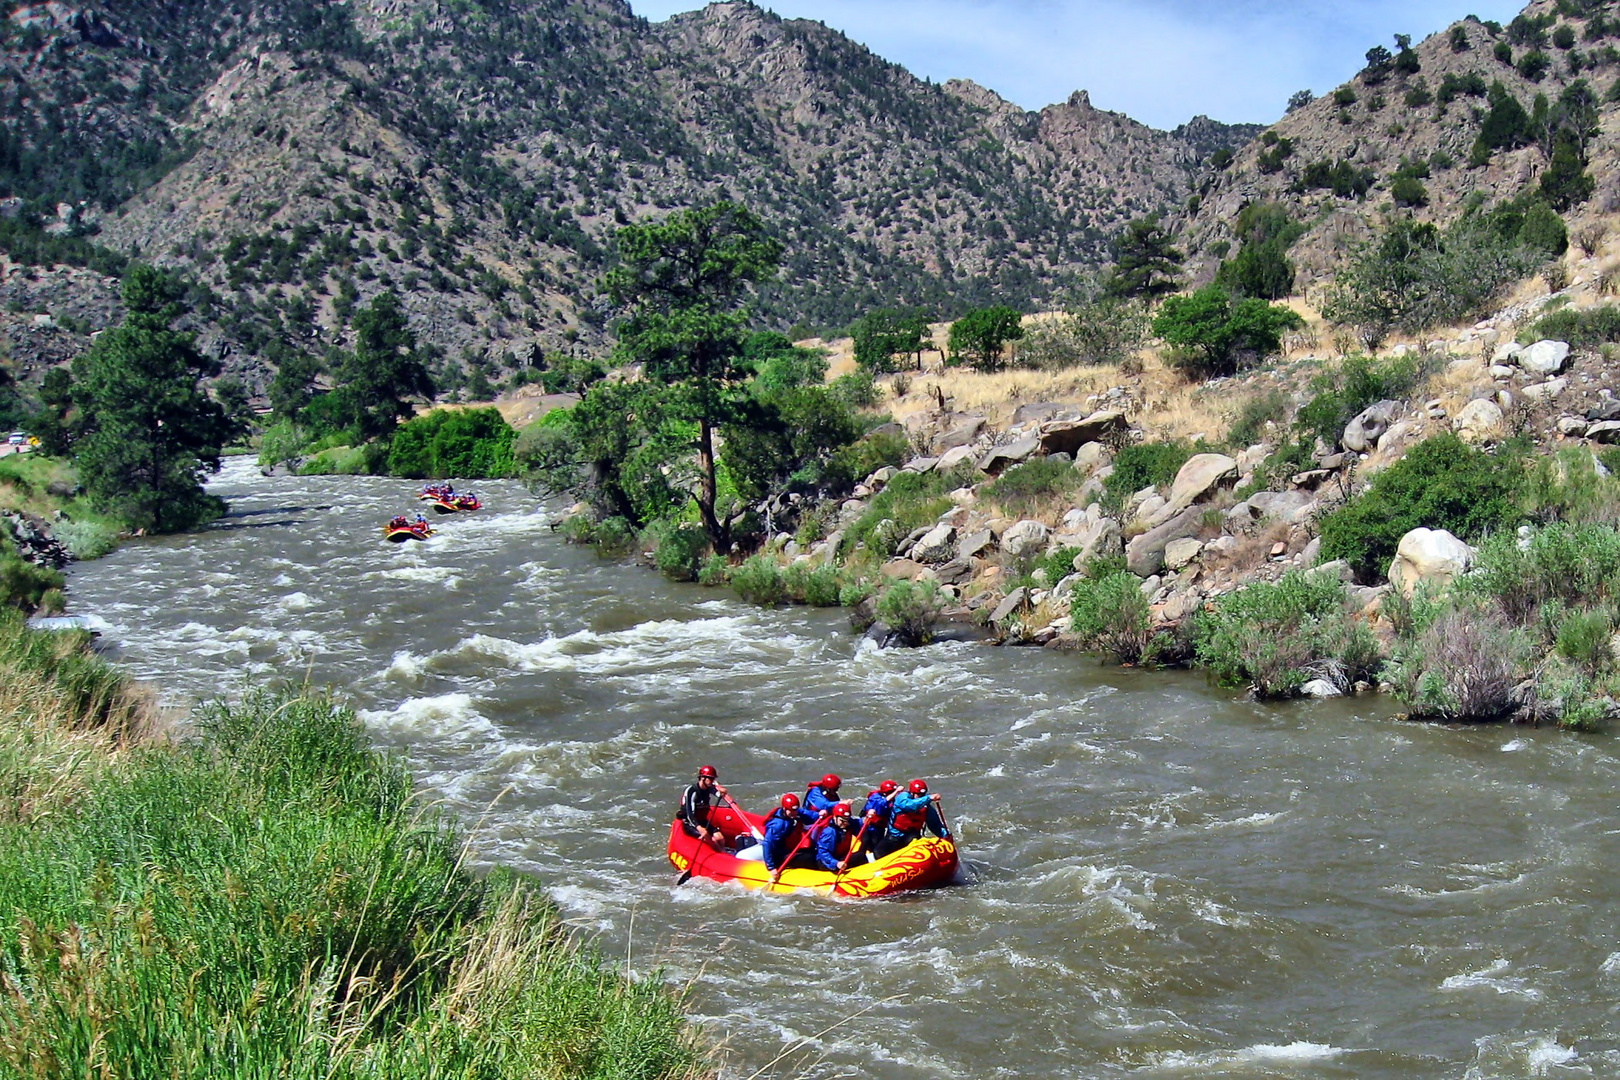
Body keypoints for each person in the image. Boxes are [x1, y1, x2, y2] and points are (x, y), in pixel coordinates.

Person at [872, 779, 950, 859]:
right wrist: (928, 798)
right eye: (918, 794)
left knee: (914, 842)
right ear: (912, 793)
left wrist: (945, 835)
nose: (920, 796)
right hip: (894, 836)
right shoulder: (902, 798)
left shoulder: (926, 807)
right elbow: (909, 806)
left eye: (922, 794)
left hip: (912, 837)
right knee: (878, 852)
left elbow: (935, 825)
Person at [763, 792, 818, 882]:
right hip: (781, 856)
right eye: (791, 811)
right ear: (784, 809)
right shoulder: (778, 825)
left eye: (795, 810)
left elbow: (807, 814)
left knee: (813, 851)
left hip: (790, 850)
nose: (794, 813)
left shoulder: (795, 812)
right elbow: (767, 844)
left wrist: (820, 815)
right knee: (809, 858)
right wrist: (771, 868)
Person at [814, 802, 878, 873]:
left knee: (865, 839)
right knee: (859, 857)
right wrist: (837, 863)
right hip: (827, 862)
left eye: (847, 820)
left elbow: (859, 822)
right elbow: (823, 852)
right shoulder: (829, 832)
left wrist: (868, 817)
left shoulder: (847, 822)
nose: (845, 823)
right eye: (842, 821)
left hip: (840, 857)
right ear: (835, 817)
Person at [678, 765, 730, 849]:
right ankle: (717, 853)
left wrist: (722, 792)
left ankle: (723, 852)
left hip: (703, 821)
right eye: (711, 779)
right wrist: (699, 828)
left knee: (720, 838)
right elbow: (690, 814)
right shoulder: (692, 791)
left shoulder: (708, 787)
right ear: (703, 778)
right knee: (711, 839)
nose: (713, 781)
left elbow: (717, 793)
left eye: (713, 779)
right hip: (690, 823)